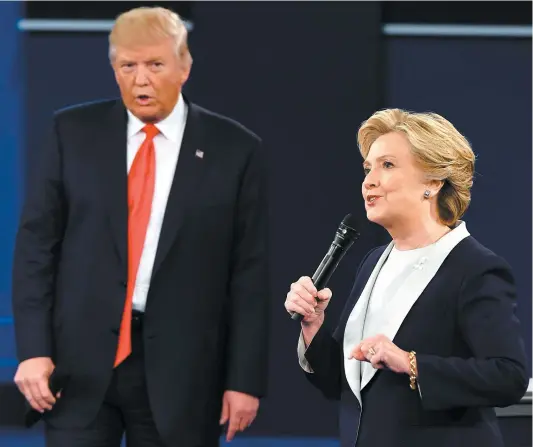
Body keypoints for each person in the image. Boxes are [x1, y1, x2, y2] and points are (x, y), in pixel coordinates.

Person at [12, 6, 269, 447]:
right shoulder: (72, 133)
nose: (141, 79)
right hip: (78, 367)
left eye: (155, 65)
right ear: (114, 70)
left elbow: (248, 274)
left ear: (184, 66)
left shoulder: (235, 150)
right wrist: (34, 350)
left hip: (183, 372)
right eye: (127, 66)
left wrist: (244, 379)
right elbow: (36, 248)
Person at [284, 108, 529, 447]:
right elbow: (342, 383)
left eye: (387, 165)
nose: (369, 180)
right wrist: (312, 326)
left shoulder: (474, 267)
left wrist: (411, 364)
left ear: (432, 181)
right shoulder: (373, 262)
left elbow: (508, 377)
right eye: (368, 168)